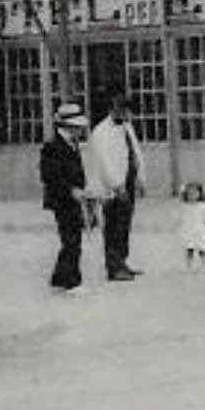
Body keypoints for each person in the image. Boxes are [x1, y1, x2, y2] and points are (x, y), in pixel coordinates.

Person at [89, 92, 145, 281]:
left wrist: (140, 178)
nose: (129, 116)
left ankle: (122, 261)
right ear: (115, 110)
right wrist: (117, 185)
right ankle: (113, 267)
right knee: (113, 226)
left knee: (125, 225)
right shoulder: (100, 132)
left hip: (128, 181)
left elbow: (135, 152)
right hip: (112, 187)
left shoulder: (126, 127)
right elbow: (104, 162)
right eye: (126, 111)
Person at [40, 102, 90, 295]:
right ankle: (72, 281)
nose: (79, 131)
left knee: (72, 237)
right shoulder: (52, 147)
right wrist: (70, 190)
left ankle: (59, 276)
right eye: (76, 127)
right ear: (66, 127)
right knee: (71, 239)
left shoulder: (73, 145)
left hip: (75, 197)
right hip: (62, 199)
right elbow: (49, 176)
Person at [178, 182, 205, 271]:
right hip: (188, 231)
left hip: (200, 231)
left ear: (200, 194)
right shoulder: (185, 206)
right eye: (190, 194)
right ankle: (189, 265)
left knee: (201, 249)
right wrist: (182, 189)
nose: (192, 196)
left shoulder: (203, 206)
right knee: (189, 248)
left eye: (195, 193)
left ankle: (203, 264)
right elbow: (179, 197)